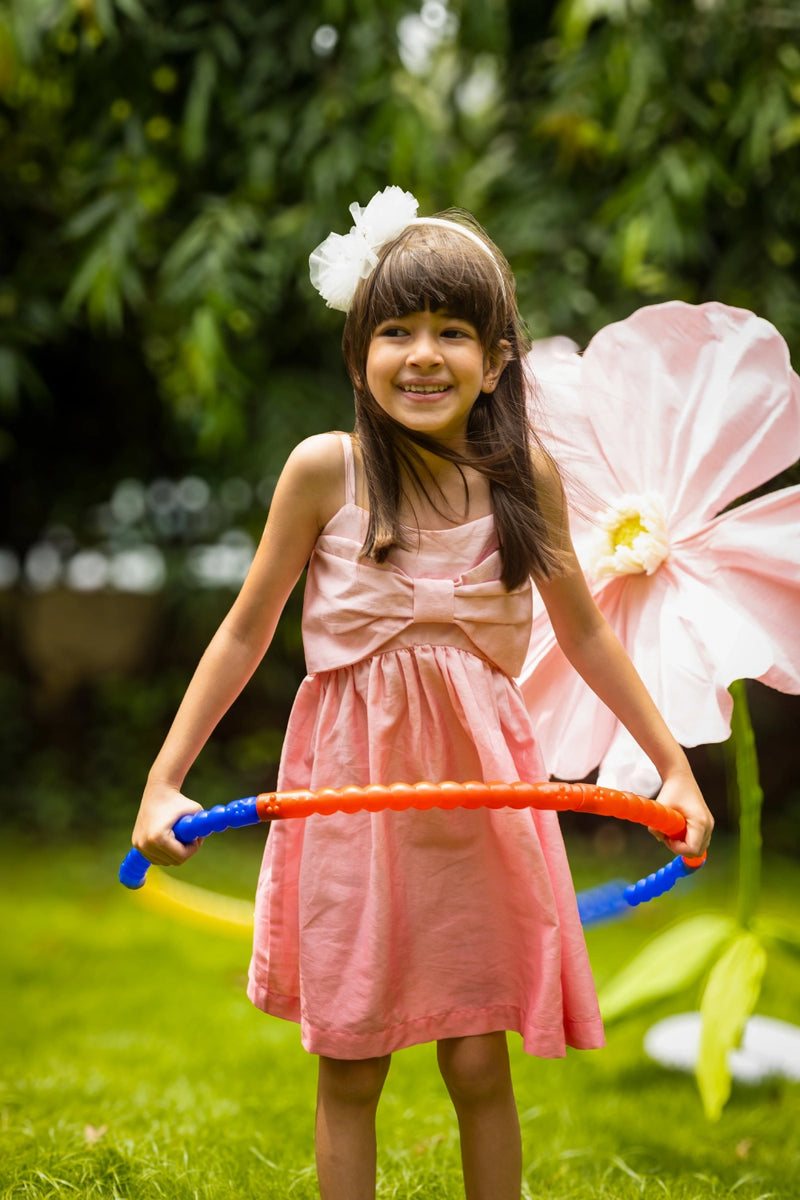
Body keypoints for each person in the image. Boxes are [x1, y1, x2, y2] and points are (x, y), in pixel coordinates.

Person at [131, 187, 714, 1200]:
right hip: (353, 794)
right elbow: (243, 631)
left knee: (479, 1056)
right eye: (396, 330)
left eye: (453, 331)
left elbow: (584, 632)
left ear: (497, 359)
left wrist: (672, 767)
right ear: (358, 351)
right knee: (352, 1060)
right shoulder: (324, 473)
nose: (422, 355)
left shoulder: (524, 480)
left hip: (478, 799)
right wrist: (162, 781)